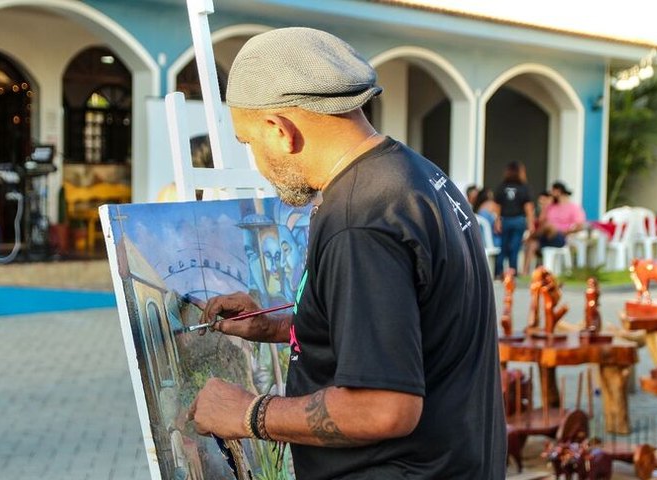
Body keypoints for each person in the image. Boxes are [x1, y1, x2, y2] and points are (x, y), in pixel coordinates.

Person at [187, 27, 506, 479]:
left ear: (281, 130)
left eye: (249, 142)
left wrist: (248, 413)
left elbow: (384, 408)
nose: (255, 163)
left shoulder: (360, 219)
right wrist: (275, 327)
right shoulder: (413, 176)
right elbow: (399, 330)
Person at [523, 181, 586, 267]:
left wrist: (566, 233)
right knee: (532, 244)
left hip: (561, 237)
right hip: (545, 236)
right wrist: (547, 204)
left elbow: (580, 226)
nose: (550, 193)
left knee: (548, 226)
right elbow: (541, 221)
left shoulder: (574, 208)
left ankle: (529, 238)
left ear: (558, 191)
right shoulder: (551, 206)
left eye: (552, 191)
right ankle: (525, 271)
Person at [493, 161, 534, 279]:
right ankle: (513, 273)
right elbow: (528, 207)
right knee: (515, 247)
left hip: (505, 219)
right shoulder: (524, 187)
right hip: (518, 220)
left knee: (503, 247)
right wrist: (530, 223)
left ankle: (498, 273)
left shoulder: (502, 187)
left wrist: (497, 220)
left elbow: (497, 206)